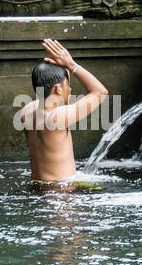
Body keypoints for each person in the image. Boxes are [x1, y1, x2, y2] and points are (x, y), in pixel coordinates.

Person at [15, 39, 109, 182]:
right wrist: (71, 65)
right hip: (61, 194)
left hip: (39, 187)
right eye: (68, 85)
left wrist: (62, 70)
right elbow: (100, 92)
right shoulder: (57, 117)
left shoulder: (27, 111)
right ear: (58, 88)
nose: (70, 90)